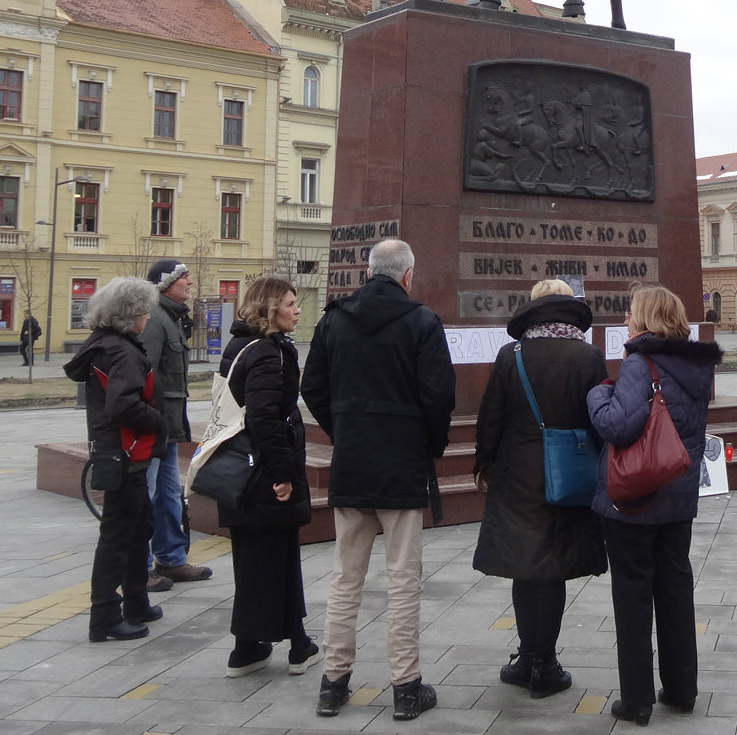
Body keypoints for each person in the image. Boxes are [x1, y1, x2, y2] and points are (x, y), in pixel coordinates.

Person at [300, 239, 456, 722]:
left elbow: (313, 387)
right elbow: (439, 397)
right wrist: (426, 444)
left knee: (346, 578)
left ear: (368, 273)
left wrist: (343, 428)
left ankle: (333, 682)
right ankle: (406, 687)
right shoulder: (422, 322)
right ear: (407, 276)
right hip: (402, 464)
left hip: (353, 461)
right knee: (403, 580)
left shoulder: (333, 319)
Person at [588, 285, 720, 725]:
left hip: (635, 498)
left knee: (633, 596)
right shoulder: (695, 366)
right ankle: (682, 689)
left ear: (645, 318)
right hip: (678, 494)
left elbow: (618, 426)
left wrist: (596, 395)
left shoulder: (638, 364)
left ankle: (637, 699)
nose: (625, 317)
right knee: (676, 590)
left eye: (630, 311)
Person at [473, 280, 609, 700]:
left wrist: (484, 464)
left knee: (524, 565)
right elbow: (599, 417)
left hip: (516, 471)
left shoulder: (510, 355)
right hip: (568, 471)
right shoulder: (587, 356)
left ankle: (527, 657)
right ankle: (544, 664)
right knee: (553, 567)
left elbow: (490, 417)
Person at [213, 276, 318, 679]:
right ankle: (295, 644)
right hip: (261, 474)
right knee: (279, 556)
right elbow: (264, 418)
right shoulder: (265, 353)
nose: (297, 310)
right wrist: (283, 474)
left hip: (241, 473)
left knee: (256, 560)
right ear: (271, 308)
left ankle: (250, 648)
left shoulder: (241, 344)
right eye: (291, 303)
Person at [63, 278, 167, 642]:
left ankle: (135, 600)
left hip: (118, 451)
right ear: (129, 314)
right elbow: (123, 404)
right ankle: (104, 614)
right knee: (118, 534)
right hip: (125, 452)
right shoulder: (122, 352)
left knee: (138, 528)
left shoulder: (107, 344)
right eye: (143, 310)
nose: (148, 316)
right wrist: (159, 420)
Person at [140, 259, 211, 589]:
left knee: (169, 494)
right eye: (184, 277)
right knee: (148, 495)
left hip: (167, 425)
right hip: (153, 424)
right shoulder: (154, 319)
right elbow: (143, 373)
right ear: (166, 283)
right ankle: (140, 570)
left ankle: (170, 560)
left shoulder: (169, 317)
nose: (190, 282)